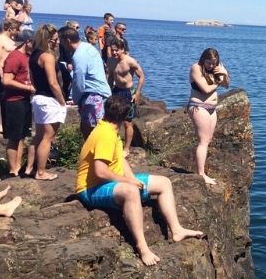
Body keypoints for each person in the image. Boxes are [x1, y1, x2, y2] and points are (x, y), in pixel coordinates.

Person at [75, 94, 204, 266]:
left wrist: (130, 178)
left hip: (107, 181)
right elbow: (100, 171)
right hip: (90, 189)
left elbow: (120, 160)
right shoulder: (105, 134)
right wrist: (129, 183)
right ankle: (142, 247)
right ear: (126, 116)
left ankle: (177, 229)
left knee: (164, 183)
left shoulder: (109, 128)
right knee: (131, 192)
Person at [24, 25, 67, 180]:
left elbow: (34, 80)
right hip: (49, 99)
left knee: (39, 136)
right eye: (55, 40)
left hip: (38, 98)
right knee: (48, 137)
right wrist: (62, 102)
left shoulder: (34, 55)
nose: (57, 43)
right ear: (48, 40)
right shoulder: (47, 57)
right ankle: (41, 172)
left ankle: (29, 168)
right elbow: (53, 83)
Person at [187, 48, 229, 185]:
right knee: (203, 141)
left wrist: (224, 74)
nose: (211, 66)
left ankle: (202, 170)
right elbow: (206, 89)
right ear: (203, 59)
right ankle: (201, 174)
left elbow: (227, 85)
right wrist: (219, 80)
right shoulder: (196, 68)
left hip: (212, 108)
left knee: (208, 139)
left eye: (214, 63)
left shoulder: (216, 69)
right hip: (199, 106)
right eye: (209, 62)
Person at [1, 34, 36, 177]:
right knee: (14, 137)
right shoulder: (15, 57)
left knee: (22, 136)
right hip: (13, 101)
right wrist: (28, 88)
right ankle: (12, 170)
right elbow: (6, 80)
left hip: (24, 100)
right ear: (27, 42)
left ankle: (18, 166)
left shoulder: (26, 57)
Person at [68, 25, 111, 139]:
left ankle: (93, 155)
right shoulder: (88, 47)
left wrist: (76, 98)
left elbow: (79, 79)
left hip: (93, 95)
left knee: (92, 131)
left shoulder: (79, 55)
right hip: (101, 92)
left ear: (66, 40)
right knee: (95, 128)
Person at [107, 37, 145, 156]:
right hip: (116, 91)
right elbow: (111, 77)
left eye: (116, 50)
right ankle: (114, 145)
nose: (114, 52)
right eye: (112, 50)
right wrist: (108, 92)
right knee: (113, 120)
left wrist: (137, 93)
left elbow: (142, 77)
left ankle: (127, 148)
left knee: (127, 122)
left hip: (128, 92)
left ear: (122, 49)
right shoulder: (110, 61)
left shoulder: (130, 61)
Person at [0, 19, 22, 133]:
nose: (18, 31)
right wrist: (2, 75)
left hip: (11, 72)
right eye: (16, 29)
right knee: (2, 98)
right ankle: (0, 124)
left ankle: (7, 120)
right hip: (2, 72)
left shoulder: (9, 39)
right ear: (10, 29)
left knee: (10, 97)